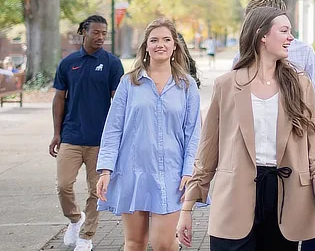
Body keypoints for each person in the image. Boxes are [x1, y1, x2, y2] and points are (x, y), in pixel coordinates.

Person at [177, 6, 315, 250]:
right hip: (234, 196)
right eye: (284, 31)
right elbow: (207, 152)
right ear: (262, 35)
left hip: (285, 196)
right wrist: (187, 207)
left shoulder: (300, 84)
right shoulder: (226, 85)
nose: (290, 38)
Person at [232, 0, 315, 251]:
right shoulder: (240, 58)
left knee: (308, 218)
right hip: (261, 160)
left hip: (299, 150)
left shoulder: (302, 51)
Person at [96, 18, 202, 251]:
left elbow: (194, 132)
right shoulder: (129, 82)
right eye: (154, 40)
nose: (160, 44)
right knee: (135, 243)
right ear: (146, 46)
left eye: (166, 39)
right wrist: (105, 170)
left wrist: (188, 170)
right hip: (133, 172)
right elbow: (113, 128)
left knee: (163, 243)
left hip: (172, 174)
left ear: (175, 45)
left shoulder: (187, 85)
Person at [49, 15, 124, 251]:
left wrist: (119, 137)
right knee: (63, 185)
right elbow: (59, 98)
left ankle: (87, 235)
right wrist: (56, 132)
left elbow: (119, 103)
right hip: (71, 136)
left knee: (96, 191)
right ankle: (74, 218)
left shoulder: (112, 63)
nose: (101, 37)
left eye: (104, 33)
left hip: (100, 140)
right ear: (84, 32)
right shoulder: (68, 62)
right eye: (96, 33)